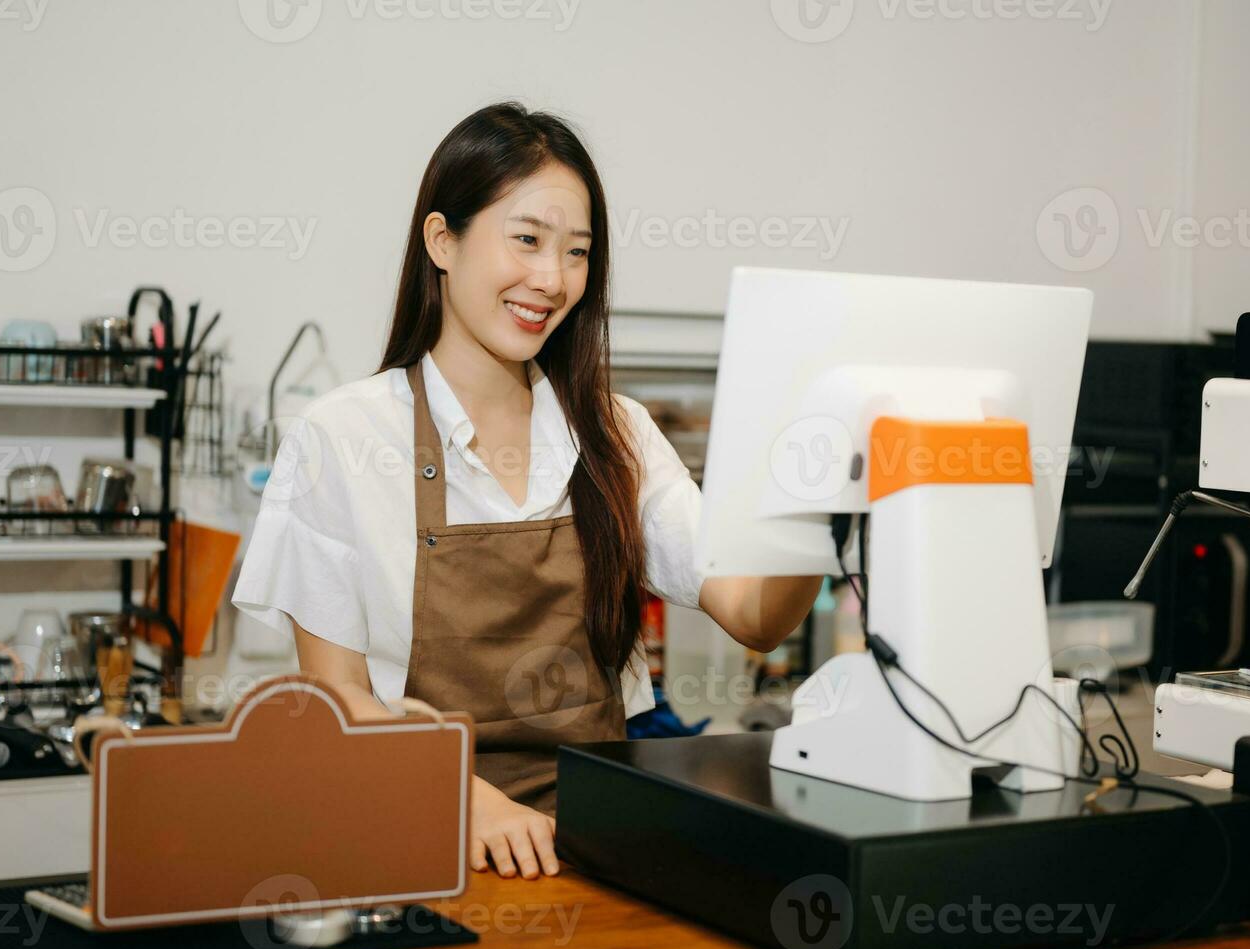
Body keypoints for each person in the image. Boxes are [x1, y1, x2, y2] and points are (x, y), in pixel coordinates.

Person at [233, 102, 821, 881]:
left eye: (577, 253)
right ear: (443, 240)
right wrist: (464, 797)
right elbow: (337, 699)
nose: (552, 279)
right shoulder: (342, 439)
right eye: (527, 240)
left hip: (599, 850)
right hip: (416, 842)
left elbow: (755, 615)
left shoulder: (617, 434)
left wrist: (819, 493)